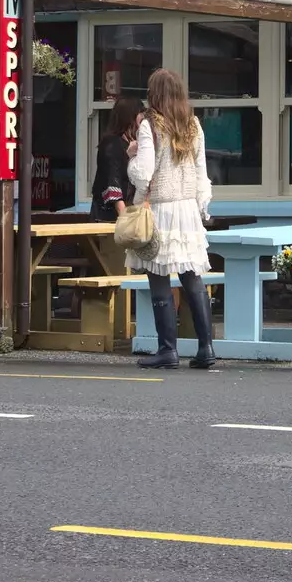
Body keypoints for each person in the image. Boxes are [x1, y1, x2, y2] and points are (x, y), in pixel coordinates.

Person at [127, 68, 216, 370]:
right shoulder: (194, 124)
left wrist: (131, 155)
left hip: (161, 210)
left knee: (160, 280)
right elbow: (202, 173)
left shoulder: (149, 125)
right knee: (193, 279)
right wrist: (202, 208)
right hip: (188, 210)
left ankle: (168, 350)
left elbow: (143, 174)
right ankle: (206, 348)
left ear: (154, 93)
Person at [89, 96, 144, 221]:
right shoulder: (111, 144)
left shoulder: (132, 143)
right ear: (130, 117)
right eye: (140, 114)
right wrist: (125, 219)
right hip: (110, 215)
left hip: (127, 210)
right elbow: (113, 180)